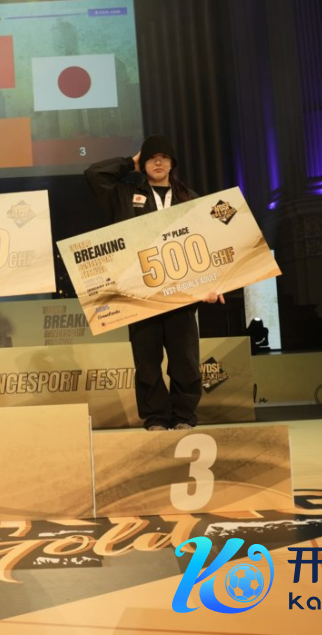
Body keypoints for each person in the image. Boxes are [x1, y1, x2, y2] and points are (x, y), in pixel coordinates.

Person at [84, 135, 222, 431]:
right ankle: (156, 417)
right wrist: (129, 162)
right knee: (147, 361)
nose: (158, 162)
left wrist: (213, 284)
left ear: (173, 163)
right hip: (139, 294)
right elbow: (94, 174)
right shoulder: (124, 193)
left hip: (182, 293)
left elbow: (209, 243)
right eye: (151, 157)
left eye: (164, 157)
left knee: (185, 360)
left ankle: (183, 416)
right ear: (142, 163)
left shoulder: (189, 198)